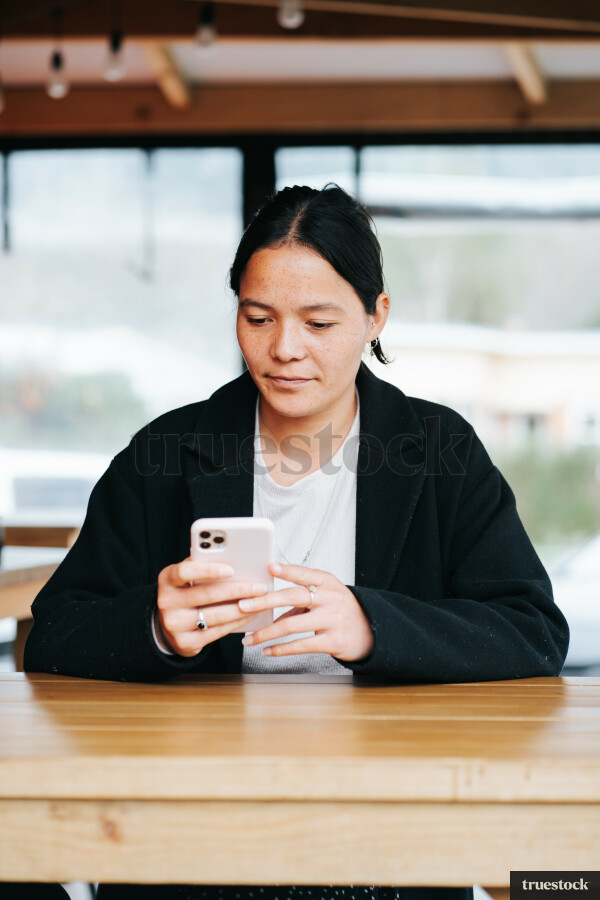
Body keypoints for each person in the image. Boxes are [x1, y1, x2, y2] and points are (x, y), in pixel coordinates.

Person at [21, 184, 569, 900]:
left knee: (564, 884)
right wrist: (151, 626)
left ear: (377, 316)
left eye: (319, 321)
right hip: (192, 816)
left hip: (390, 814)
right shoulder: (164, 452)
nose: (284, 349)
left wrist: (373, 624)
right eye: (258, 317)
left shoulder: (439, 450)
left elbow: (531, 631)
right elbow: (55, 634)